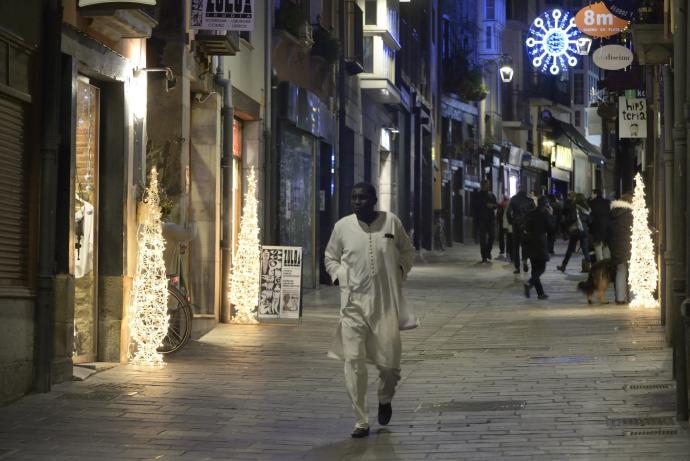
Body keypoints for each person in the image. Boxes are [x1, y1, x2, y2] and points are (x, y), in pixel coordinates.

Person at [324, 182, 416, 438]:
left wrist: (400, 271)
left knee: (390, 366)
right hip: (352, 305)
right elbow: (330, 256)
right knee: (353, 362)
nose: (357, 202)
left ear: (374, 200)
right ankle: (361, 421)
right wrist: (339, 275)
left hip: (385, 304)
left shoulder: (391, 223)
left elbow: (408, 251)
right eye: (353, 197)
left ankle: (385, 398)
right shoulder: (342, 227)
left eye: (362, 198)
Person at [523, 196, 556, 300]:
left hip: (530, 241)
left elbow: (526, 226)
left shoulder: (531, 213)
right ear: (546, 204)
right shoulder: (545, 214)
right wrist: (551, 215)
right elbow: (551, 228)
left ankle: (540, 293)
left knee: (535, 269)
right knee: (541, 268)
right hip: (540, 242)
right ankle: (530, 283)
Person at [608, 193, 634, 304]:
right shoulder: (630, 214)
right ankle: (633, 297)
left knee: (620, 270)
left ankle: (620, 298)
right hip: (629, 245)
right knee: (632, 272)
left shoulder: (613, 213)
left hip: (616, 246)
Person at [557, 193, 592, 273]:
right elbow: (590, 220)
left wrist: (568, 226)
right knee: (585, 249)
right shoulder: (587, 207)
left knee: (570, 249)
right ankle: (589, 266)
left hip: (576, 230)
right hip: (584, 230)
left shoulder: (574, 206)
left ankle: (563, 265)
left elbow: (571, 218)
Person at [507, 185, 536, 274]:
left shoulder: (513, 199)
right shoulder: (530, 201)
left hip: (516, 225)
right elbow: (534, 214)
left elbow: (509, 212)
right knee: (525, 245)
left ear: (518, 190)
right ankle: (524, 260)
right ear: (526, 191)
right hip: (526, 226)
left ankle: (517, 267)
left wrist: (511, 222)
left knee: (515, 246)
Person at [474, 180, 498, 263]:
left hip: (491, 219)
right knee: (482, 238)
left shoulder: (491, 195)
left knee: (492, 236)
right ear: (482, 186)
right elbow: (475, 206)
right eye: (487, 185)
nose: (489, 186)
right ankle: (484, 256)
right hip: (482, 219)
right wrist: (485, 205)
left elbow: (496, 205)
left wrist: (493, 206)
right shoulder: (478, 195)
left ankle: (488, 251)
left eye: (489, 185)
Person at [588, 189, 611, 262]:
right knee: (606, 246)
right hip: (607, 227)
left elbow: (590, 216)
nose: (591, 195)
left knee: (598, 246)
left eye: (592, 193)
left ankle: (600, 265)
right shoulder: (607, 202)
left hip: (596, 227)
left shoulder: (591, 203)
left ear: (595, 194)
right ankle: (607, 265)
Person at [497, 195, 511, 259]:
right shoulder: (505, 205)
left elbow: (498, 214)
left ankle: (503, 251)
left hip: (503, 223)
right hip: (506, 223)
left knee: (503, 237)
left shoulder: (501, 205)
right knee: (507, 237)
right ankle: (507, 251)